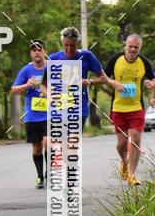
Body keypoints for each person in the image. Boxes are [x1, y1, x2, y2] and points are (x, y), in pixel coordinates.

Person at [104, 33, 155, 185]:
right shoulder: (115, 59)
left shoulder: (144, 62)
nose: (132, 50)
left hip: (136, 107)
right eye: (130, 46)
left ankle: (132, 174)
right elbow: (104, 77)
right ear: (125, 45)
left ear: (140, 47)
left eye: (136, 47)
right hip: (118, 107)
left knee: (135, 139)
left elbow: (152, 80)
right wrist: (114, 83)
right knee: (121, 143)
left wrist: (151, 90)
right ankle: (124, 161)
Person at [42, 27, 108, 130]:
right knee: (59, 144)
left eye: (72, 46)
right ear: (62, 42)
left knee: (72, 143)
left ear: (78, 43)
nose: (68, 49)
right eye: (66, 45)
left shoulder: (87, 56)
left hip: (79, 108)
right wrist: (49, 95)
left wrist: (90, 81)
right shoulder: (54, 58)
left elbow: (104, 79)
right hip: (59, 108)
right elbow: (43, 84)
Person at [11, 40, 49, 188]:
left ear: (44, 51)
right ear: (30, 54)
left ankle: (49, 173)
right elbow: (14, 90)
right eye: (34, 50)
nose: (37, 52)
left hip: (50, 114)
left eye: (39, 49)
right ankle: (40, 176)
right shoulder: (26, 70)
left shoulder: (52, 68)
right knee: (37, 147)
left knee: (48, 143)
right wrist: (27, 85)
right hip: (32, 115)